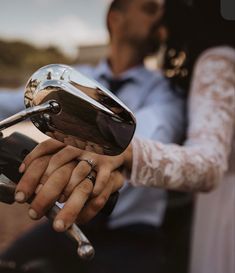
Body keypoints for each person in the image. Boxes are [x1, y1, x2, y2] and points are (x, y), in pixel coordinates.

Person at [12, 0, 235, 272]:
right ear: (115, 19)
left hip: (133, 233)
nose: (160, 18)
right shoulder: (84, 78)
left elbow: (155, 127)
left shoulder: (169, 92)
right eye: (149, 9)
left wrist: (115, 151)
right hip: (67, 222)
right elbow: (22, 101)